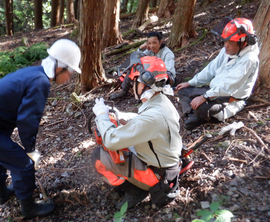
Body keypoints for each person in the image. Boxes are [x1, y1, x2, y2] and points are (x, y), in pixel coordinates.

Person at [0, 39, 81, 219]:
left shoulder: (34, 73)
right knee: (24, 165)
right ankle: (28, 207)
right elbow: (28, 120)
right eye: (70, 73)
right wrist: (30, 150)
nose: (69, 78)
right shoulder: (41, 82)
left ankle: (3, 195)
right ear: (59, 68)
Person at [91, 56, 182, 209]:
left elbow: (111, 140)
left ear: (143, 84)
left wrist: (101, 115)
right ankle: (136, 183)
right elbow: (141, 121)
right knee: (122, 145)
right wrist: (120, 116)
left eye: (134, 82)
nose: (133, 85)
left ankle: (136, 190)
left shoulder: (152, 117)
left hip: (158, 176)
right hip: (162, 162)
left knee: (98, 157)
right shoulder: (161, 102)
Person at [176, 18, 259, 130]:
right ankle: (193, 114)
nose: (226, 46)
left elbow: (229, 86)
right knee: (183, 90)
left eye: (230, 43)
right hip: (213, 92)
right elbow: (210, 69)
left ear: (243, 42)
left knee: (202, 107)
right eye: (225, 41)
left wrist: (204, 97)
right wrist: (191, 82)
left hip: (230, 100)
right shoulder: (227, 52)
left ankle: (198, 115)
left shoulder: (249, 59)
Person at [110, 31, 176, 100]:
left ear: (161, 42)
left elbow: (170, 72)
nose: (151, 46)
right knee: (134, 67)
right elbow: (137, 60)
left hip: (163, 79)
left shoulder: (168, 54)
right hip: (150, 76)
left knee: (145, 75)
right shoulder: (149, 51)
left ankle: (147, 94)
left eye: (154, 43)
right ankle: (124, 91)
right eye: (149, 43)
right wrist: (140, 49)